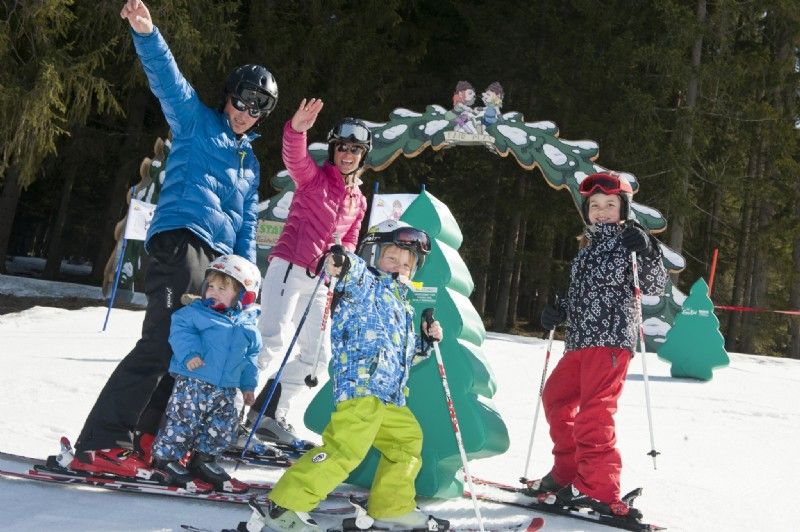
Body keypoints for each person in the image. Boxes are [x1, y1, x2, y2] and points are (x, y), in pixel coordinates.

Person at [70, 0, 278, 478]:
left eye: (260, 108)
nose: (248, 113)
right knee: (162, 342)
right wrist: (147, 33)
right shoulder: (196, 121)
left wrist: (246, 283)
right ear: (228, 95)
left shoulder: (251, 162)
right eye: (244, 100)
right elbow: (168, 80)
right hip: (180, 242)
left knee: (190, 356)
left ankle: (150, 439)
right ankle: (101, 444)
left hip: (219, 266)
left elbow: (246, 224)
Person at [259, 221, 450, 532]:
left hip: (389, 395)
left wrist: (424, 341)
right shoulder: (365, 286)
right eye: (392, 259)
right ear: (373, 255)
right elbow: (352, 270)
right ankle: (287, 506)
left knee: (407, 442)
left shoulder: (402, 304)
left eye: (407, 264)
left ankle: (391, 506)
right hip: (362, 388)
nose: (399, 268)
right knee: (346, 448)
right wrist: (343, 262)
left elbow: (402, 353)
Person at [527, 172, 668, 519]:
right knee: (556, 398)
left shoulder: (631, 242)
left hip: (611, 342)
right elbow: (579, 295)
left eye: (610, 204)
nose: (602, 211)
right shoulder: (585, 249)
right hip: (578, 341)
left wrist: (648, 249)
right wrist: (558, 309)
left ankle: (600, 487)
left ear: (623, 209)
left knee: (595, 413)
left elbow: (654, 283)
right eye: (595, 206)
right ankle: (568, 472)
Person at [249, 100, 370, 446]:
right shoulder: (314, 179)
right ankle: (226, 411)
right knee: (271, 341)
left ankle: (269, 412)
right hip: (289, 267)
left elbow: (349, 240)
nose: (347, 155)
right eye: (342, 148)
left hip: (321, 282)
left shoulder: (357, 200)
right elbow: (294, 158)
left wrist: (342, 260)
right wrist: (296, 130)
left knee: (317, 357)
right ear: (333, 151)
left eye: (355, 150)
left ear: (363, 156)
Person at [150, 255, 262, 493]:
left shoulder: (248, 328)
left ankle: (203, 460)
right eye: (210, 286)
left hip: (226, 389)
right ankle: (166, 459)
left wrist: (248, 386)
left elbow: (250, 359)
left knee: (221, 426)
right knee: (183, 420)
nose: (214, 292)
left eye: (223, 288)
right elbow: (180, 330)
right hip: (194, 382)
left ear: (243, 295)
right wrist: (189, 353)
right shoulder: (196, 313)